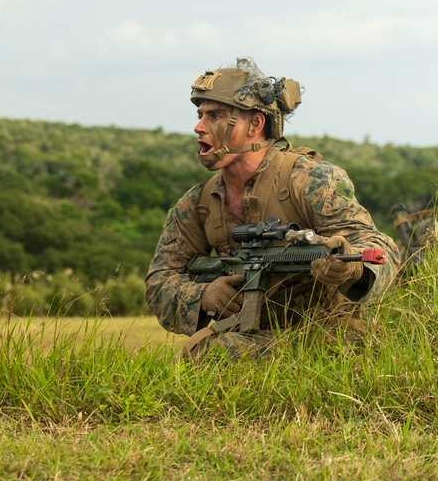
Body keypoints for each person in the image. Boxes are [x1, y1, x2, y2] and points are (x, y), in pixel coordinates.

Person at [145, 57, 401, 360]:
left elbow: (379, 249)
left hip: (330, 336)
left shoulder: (310, 179)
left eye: (215, 116)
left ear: (255, 123)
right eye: (200, 114)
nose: (198, 127)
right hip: (251, 334)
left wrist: (353, 268)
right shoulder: (198, 202)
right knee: (205, 355)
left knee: (219, 355)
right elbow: (160, 278)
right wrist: (204, 296)